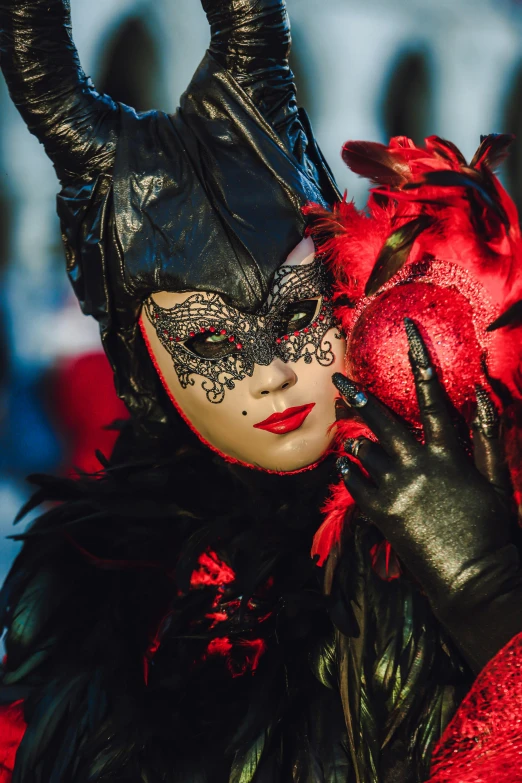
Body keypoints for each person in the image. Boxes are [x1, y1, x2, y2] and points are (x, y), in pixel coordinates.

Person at [0, 0, 521, 780]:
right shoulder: (96, 591)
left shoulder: (483, 463)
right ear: (144, 364)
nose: (271, 370)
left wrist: (492, 599)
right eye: (209, 339)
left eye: (298, 310)